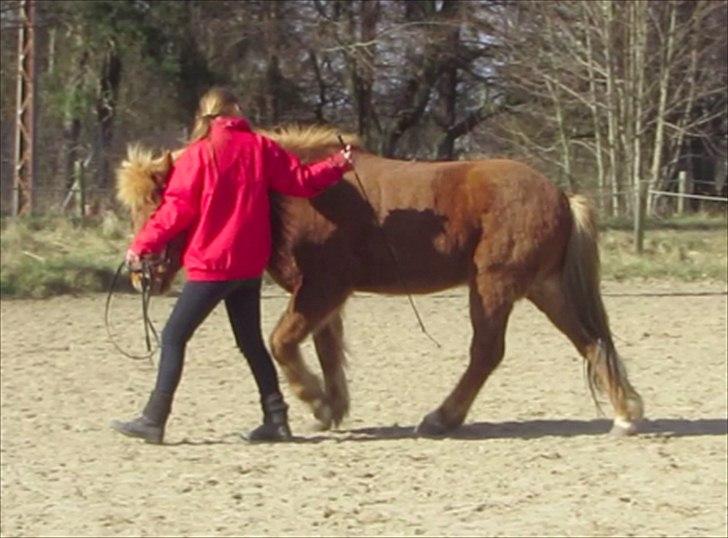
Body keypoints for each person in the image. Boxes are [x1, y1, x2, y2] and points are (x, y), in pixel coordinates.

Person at [111, 87, 352, 444]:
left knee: (174, 336)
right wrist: (338, 164)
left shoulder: (198, 155)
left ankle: (154, 418)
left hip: (213, 264)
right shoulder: (260, 148)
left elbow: (176, 211)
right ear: (235, 113)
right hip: (249, 266)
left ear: (204, 116)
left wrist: (142, 245)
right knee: (251, 342)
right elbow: (301, 181)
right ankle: (276, 419)